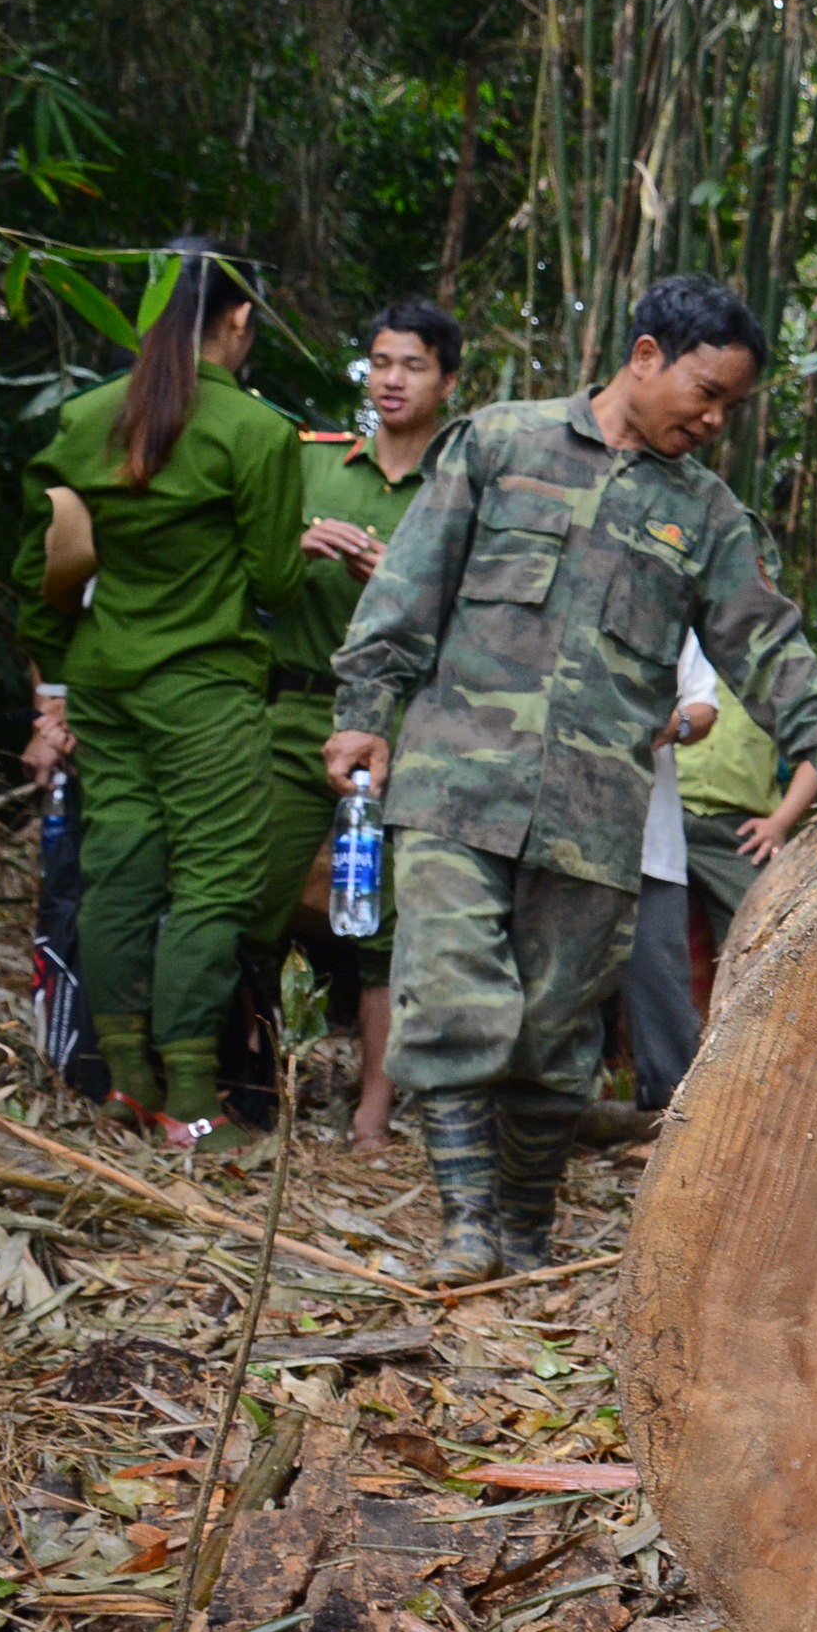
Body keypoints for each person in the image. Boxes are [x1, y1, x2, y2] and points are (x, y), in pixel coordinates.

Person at [327, 275, 817, 1284]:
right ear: (646, 352)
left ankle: (526, 1223)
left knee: (551, 1033)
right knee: (449, 1000)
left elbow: (764, 641)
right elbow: (406, 590)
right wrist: (363, 711)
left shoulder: (704, 513)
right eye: (703, 393)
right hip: (454, 785)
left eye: (730, 409)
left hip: (593, 814)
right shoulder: (500, 442)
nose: (711, 420)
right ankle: (465, 1223)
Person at [12, 238, 303, 1144]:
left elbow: (41, 567)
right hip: (203, 685)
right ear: (240, 319)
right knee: (213, 881)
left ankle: (123, 1078)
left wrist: (54, 684)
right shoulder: (256, 431)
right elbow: (277, 580)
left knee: (122, 872)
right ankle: (191, 1099)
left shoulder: (85, 418)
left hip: (104, 676)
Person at [250, 299, 459, 1147]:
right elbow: (249, 573)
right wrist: (293, 545)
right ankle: (257, 1084)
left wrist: (402, 586)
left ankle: (373, 1114)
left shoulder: (461, 482)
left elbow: (492, 620)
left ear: (448, 378)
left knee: (388, 928)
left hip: (414, 719)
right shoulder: (312, 464)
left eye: (411, 365)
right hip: (297, 707)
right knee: (249, 897)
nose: (392, 380)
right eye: (380, 363)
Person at [623, 634, 720, 1115]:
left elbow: (703, 707)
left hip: (649, 836)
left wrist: (672, 723)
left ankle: (673, 1121)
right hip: (551, 838)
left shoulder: (665, 599)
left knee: (659, 976)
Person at [676, 688, 817, 949]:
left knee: (762, 936)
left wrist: (779, 823)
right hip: (666, 818)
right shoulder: (679, 666)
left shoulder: (769, 677)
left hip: (742, 833)